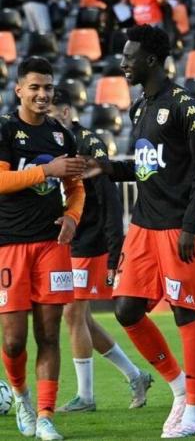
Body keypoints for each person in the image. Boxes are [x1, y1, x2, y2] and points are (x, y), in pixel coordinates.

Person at [84, 24, 195, 438]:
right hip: (143, 226)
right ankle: (178, 387)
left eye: (130, 56)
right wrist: (110, 168)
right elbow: (148, 168)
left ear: (153, 61)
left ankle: (194, 411)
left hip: (177, 226)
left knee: (185, 312)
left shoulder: (184, 104)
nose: (123, 63)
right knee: (125, 310)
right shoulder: (139, 106)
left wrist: (191, 226)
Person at [48, 89, 153, 413]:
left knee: (72, 314)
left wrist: (112, 252)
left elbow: (109, 201)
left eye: (53, 113)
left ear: (66, 112)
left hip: (89, 242)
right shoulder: (51, 145)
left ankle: (87, 396)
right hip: (67, 242)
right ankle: (136, 375)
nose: (47, 120)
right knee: (84, 320)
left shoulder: (87, 144)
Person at [0, 56, 87, 440]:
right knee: (13, 339)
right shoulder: (4, 130)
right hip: (9, 245)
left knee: (49, 333)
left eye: (47, 88)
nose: (42, 94)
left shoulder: (60, 135)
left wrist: (72, 216)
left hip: (52, 245)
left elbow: (77, 186)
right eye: (34, 87)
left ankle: (47, 416)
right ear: (18, 90)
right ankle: (21, 397)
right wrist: (45, 172)